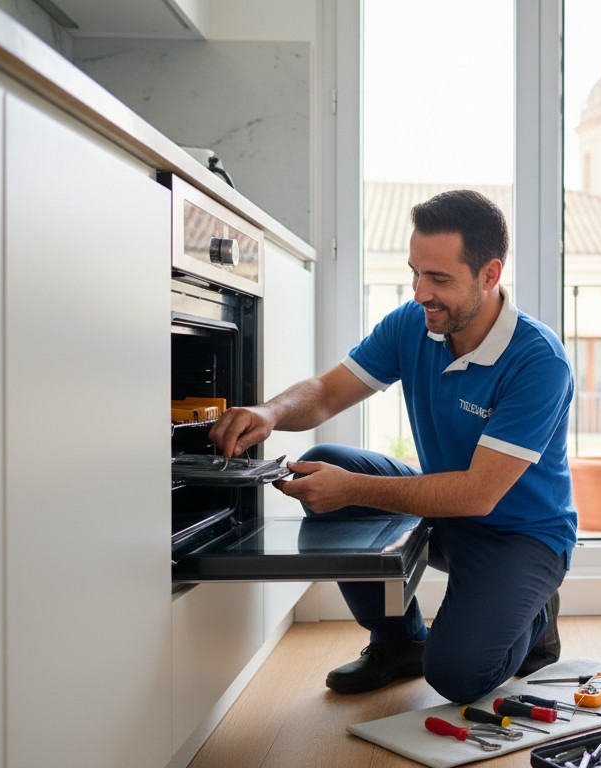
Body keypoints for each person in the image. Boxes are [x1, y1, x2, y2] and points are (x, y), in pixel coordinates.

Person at [209, 189, 576, 704]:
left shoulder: (539, 361)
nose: (421, 291)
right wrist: (269, 412)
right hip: (446, 515)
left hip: (520, 534)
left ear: (490, 274)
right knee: (329, 465)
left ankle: (535, 614)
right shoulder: (413, 323)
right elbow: (327, 392)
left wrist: (351, 489)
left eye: (440, 279)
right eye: (416, 272)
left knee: (457, 677)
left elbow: (478, 495)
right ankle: (399, 642)